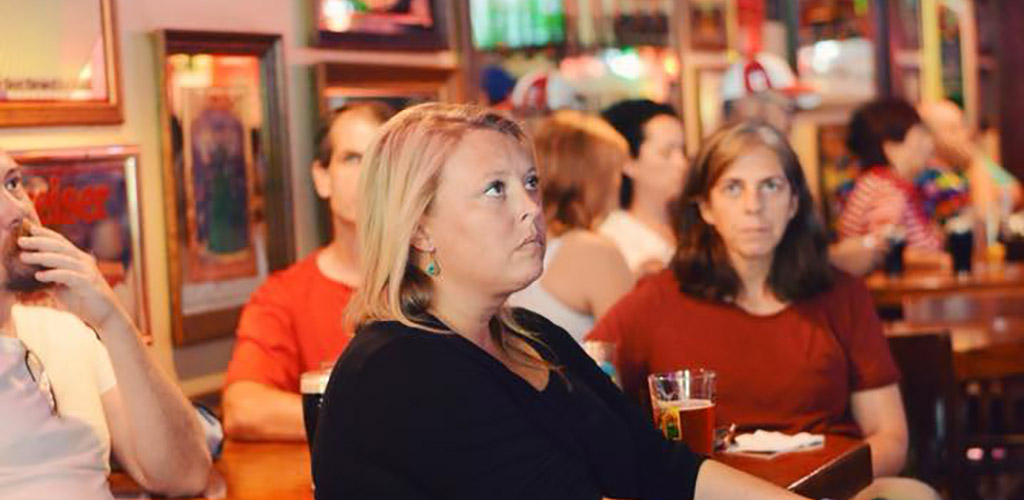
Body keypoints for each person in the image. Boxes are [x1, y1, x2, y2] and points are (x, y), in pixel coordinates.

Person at [311, 103, 812, 500]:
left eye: (530, 183)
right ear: (419, 228)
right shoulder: (401, 366)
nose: (530, 208)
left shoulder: (531, 334)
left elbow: (662, 467)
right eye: (495, 190)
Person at [586, 122, 938, 499]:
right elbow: (585, 382)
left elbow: (891, 437)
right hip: (714, 495)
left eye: (770, 186)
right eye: (733, 188)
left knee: (910, 495)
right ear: (706, 207)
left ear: (793, 203)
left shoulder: (842, 294)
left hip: (832, 490)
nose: (754, 206)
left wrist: (824, 484)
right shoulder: (656, 300)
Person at [0, 149, 211, 498]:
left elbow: (185, 474)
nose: (18, 209)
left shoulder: (68, 334)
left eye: (13, 184)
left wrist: (112, 320)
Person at [223, 101, 395, 441]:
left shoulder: (442, 283)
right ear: (322, 178)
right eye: (353, 159)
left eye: (384, 160)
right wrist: (377, 423)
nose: (370, 176)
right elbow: (243, 409)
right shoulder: (284, 296)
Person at [720, 53, 887, 276]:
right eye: (786, 109)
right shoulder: (721, 175)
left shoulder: (781, 167)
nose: (791, 122)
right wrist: (836, 260)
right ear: (750, 107)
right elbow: (754, 270)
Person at [507, 110, 634, 342]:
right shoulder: (592, 251)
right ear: (593, 178)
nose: (620, 182)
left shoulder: (520, 241)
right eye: (615, 171)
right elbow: (633, 350)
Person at [837, 98, 946, 268]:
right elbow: (885, 250)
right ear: (891, 149)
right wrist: (945, 262)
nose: (930, 145)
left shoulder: (880, 184)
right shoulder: (885, 191)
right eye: (920, 137)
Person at [599, 99, 688, 277]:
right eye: (666, 153)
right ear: (628, 161)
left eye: (683, 151)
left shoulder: (693, 225)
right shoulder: (613, 239)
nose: (682, 164)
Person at [918, 99, 1021, 236]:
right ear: (930, 137)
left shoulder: (960, 163)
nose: (966, 134)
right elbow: (985, 224)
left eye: (963, 126)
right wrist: (975, 164)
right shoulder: (930, 178)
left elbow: (1015, 193)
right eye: (953, 129)